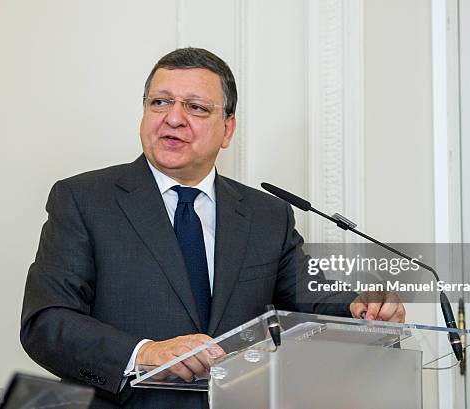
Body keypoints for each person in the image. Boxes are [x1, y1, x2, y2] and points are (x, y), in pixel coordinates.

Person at [20, 47, 405, 409]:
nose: (173, 117)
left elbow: (311, 301)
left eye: (196, 107)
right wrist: (144, 352)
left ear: (227, 129)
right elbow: (48, 321)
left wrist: (361, 308)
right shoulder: (85, 199)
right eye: (160, 102)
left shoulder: (267, 215)